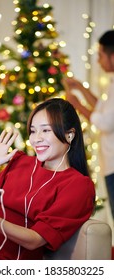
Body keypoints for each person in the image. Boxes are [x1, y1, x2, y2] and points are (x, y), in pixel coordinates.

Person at [0, 98, 95, 260]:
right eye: (33, 131)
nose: (36, 139)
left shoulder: (78, 186)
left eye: (46, 130)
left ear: (69, 134)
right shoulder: (19, 162)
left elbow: (35, 240)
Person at [62, 30, 114, 220]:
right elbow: (102, 107)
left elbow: (105, 122)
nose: (99, 61)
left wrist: (77, 105)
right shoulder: (112, 82)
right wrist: (81, 88)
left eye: (100, 55)